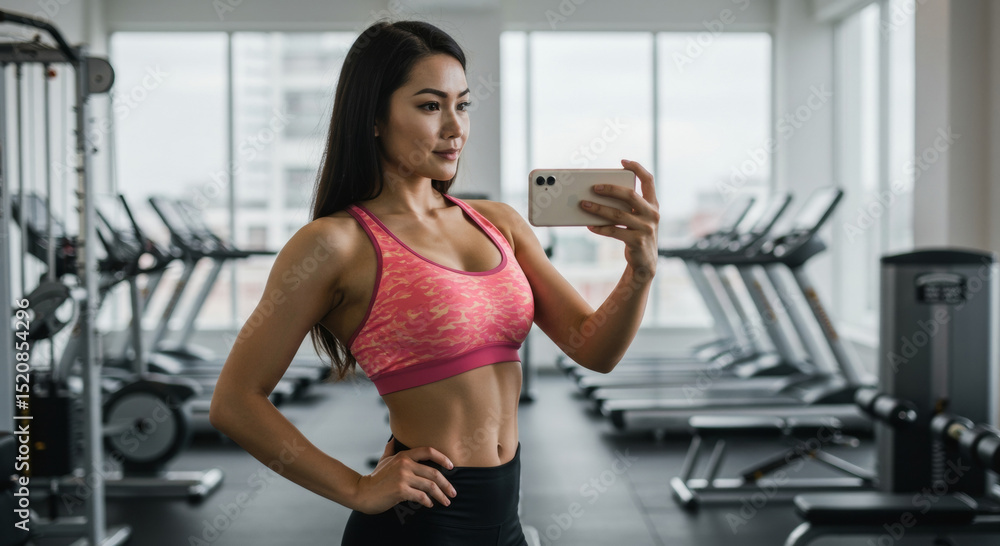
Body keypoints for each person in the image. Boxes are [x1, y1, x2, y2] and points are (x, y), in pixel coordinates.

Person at [209, 19, 659, 546]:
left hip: (505, 516)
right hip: (420, 525)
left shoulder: (500, 223)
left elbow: (594, 349)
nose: (455, 127)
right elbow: (235, 401)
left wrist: (640, 270)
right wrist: (356, 487)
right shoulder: (336, 243)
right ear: (374, 118)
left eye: (462, 105)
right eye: (429, 106)